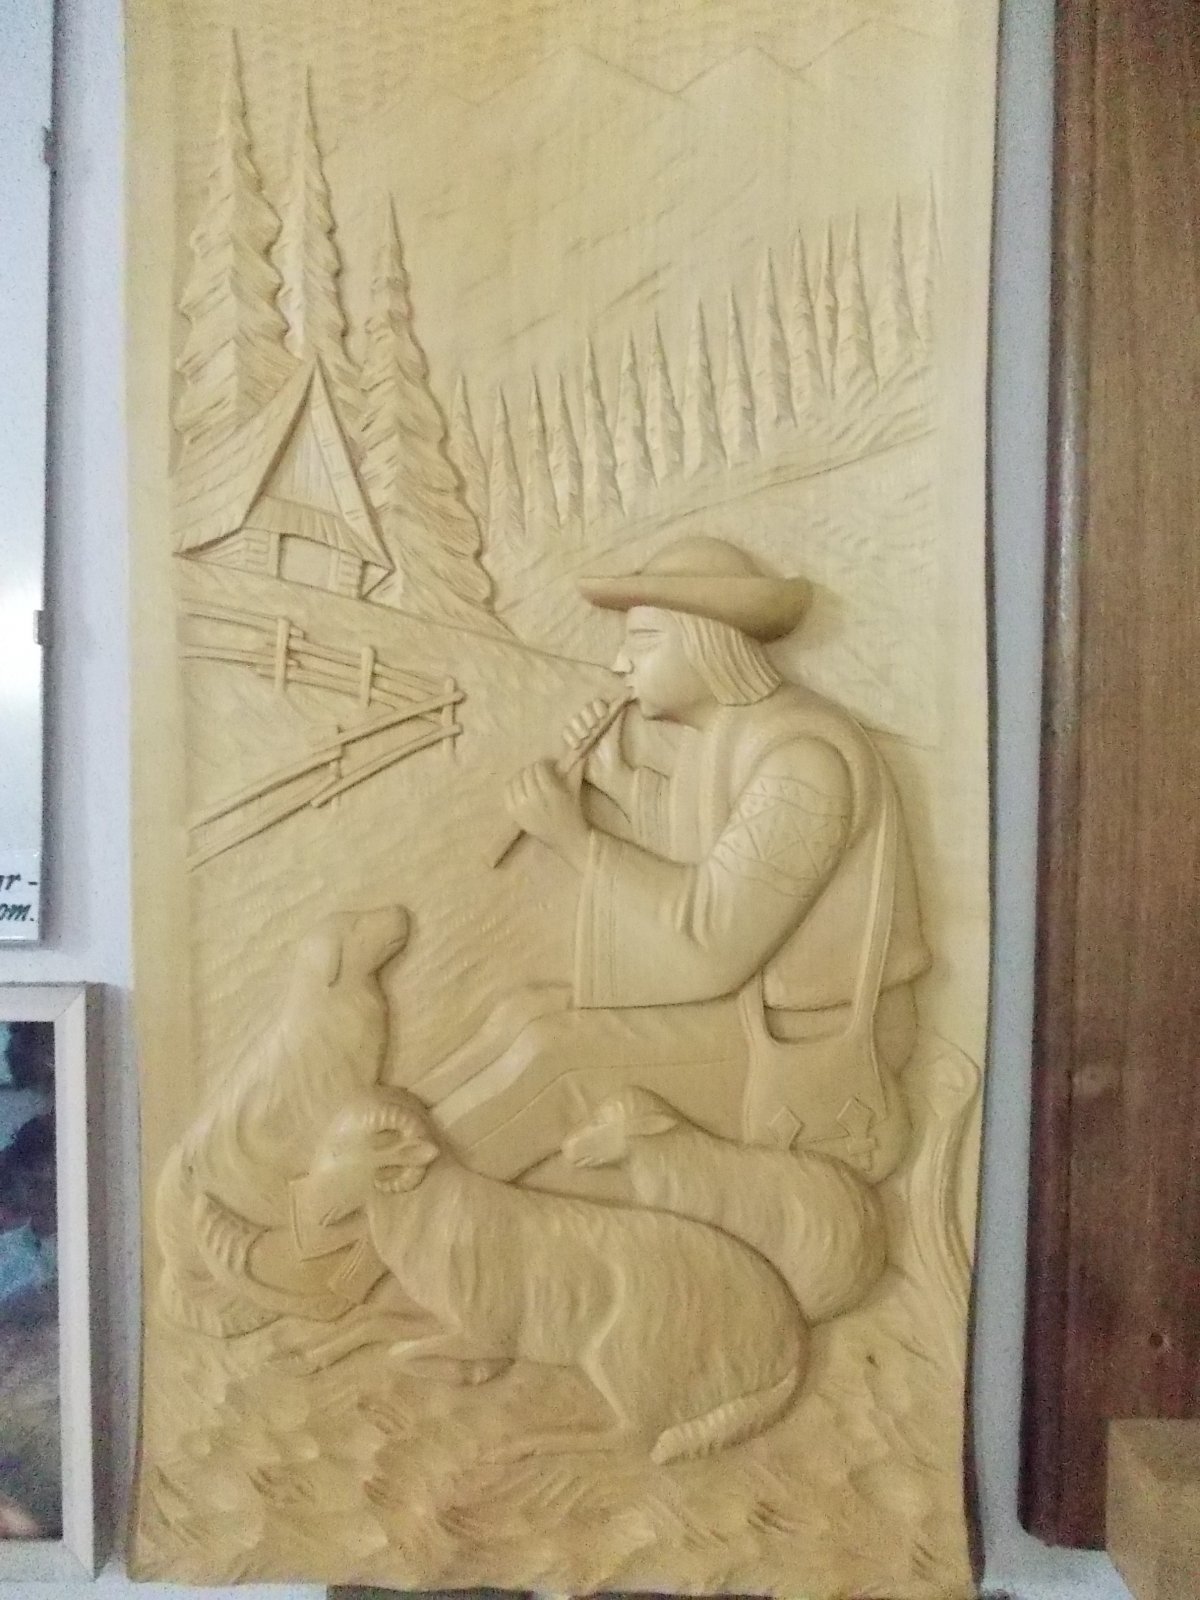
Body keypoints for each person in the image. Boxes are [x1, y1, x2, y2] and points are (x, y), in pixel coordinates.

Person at [416, 537, 929, 1185]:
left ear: (707, 643)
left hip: (812, 1036)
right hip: (755, 1013)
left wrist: (576, 841)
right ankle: (391, 1141)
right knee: (526, 1015)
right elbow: (723, 849)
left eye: (645, 640)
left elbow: (716, 938)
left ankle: (395, 1205)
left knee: (559, 1058)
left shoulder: (803, 760)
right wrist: (617, 780)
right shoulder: (734, 732)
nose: (620, 662)